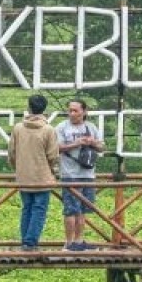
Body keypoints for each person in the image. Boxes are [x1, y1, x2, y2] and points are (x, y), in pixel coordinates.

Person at [8, 94, 60, 251]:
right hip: (43, 177)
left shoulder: (18, 128)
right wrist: (54, 172)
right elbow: (53, 156)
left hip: (24, 177)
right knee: (39, 210)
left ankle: (25, 240)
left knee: (27, 208)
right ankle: (30, 242)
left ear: (29, 107)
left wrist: (18, 168)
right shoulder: (48, 130)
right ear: (44, 109)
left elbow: (12, 152)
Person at [56, 98, 104, 252]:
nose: (72, 113)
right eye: (70, 110)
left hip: (88, 173)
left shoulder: (91, 127)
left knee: (84, 209)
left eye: (75, 110)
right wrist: (77, 143)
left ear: (84, 111)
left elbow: (102, 147)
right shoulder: (62, 127)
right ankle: (69, 243)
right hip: (69, 173)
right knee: (71, 209)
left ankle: (79, 240)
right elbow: (56, 147)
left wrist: (93, 143)